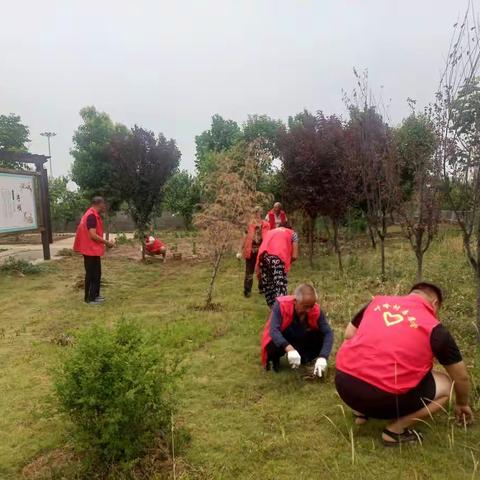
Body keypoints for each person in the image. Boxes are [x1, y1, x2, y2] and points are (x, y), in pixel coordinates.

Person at [335, 282, 474, 446]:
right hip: (383, 400)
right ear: (435, 304)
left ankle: (361, 413)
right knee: (446, 385)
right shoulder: (435, 329)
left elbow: (349, 334)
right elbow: (461, 377)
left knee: (364, 366)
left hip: (343, 385)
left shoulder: (377, 302)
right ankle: (394, 431)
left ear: (411, 294)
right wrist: (462, 403)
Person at [261, 284, 334, 376]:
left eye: (311, 306)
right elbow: (274, 331)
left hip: (300, 337)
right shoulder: (281, 305)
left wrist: (323, 356)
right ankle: (273, 360)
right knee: (272, 343)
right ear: (295, 301)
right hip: (283, 336)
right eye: (305, 306)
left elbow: (328, 333)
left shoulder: (316, 310)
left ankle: (306, 359)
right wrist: (289, 349)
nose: (308, 310)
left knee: (319, 336)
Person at [73, 197, 114, 305]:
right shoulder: (91, 216)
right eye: (104, 203)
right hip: (89, 249)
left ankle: (95, 296)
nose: (105, 206)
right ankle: (89, 299)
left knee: (97, 273)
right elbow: (92, 235)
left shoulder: (92, 214)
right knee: (91, 274)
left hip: (92, 249)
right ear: (99, 203)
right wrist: (107, 242)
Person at [256, 223, 298, 308]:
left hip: (263, 257)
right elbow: (294, 256)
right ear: (290, 228)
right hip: (278, 258)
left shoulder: (270, 232)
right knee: (280, 287)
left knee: (269, 287)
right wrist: (286, 263)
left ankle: (273, 311)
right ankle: (281, 313)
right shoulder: (293, 233)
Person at [240, 207, 270, 297]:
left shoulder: (266, 225)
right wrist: (241, 249)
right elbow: (244, 237)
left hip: (262, 251)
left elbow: (268, 238)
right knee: (249, 271)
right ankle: (247, 291)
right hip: (250, 250)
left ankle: (262, 288)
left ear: (261, 214)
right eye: (255, 213)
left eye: (259, 213)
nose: (257, 215)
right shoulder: (249, 225)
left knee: (262, 270)